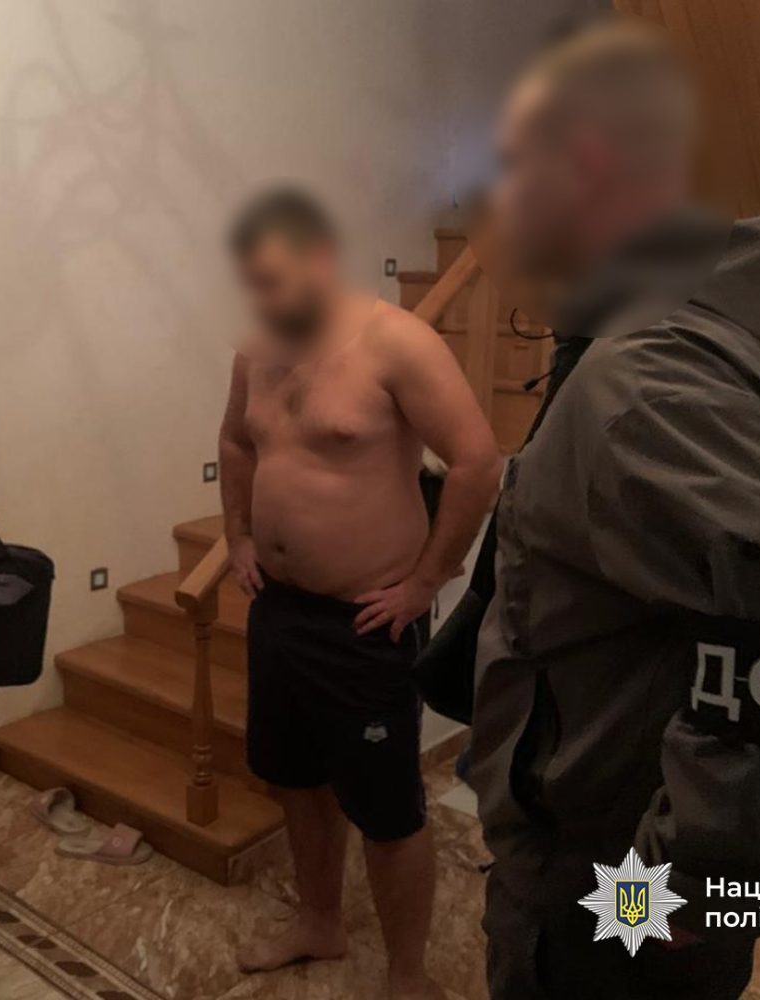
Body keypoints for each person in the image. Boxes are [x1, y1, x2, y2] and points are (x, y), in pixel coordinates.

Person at [467, 17, 760, 999]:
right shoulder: (667, 341)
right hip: (612, 840)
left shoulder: (645, 377)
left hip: (608, 873)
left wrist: (690, 889)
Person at [218, 187, 501, 1000]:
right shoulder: (257, 348)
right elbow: (236, 442)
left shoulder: (397, 343)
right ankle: (319, 922)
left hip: (367, 622)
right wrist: (238, 536)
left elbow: (477, 464)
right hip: (281, 612)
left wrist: (425, 582)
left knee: (387, 810)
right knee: (296, 782)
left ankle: (407, 975)